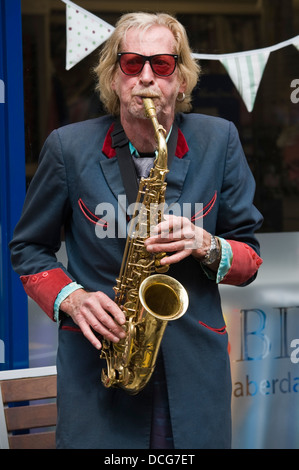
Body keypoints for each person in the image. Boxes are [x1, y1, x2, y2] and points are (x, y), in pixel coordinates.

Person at [10, 12, 263, 449]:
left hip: (194, 376)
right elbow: (28, 248)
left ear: (181, 79)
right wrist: (73, 298)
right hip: (100, 374)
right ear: (113, 78)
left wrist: (207, 244)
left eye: (162, 65)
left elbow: (249, 258)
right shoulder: (67, 148)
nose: (146, 77)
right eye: (131, 64)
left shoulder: (218, 140)